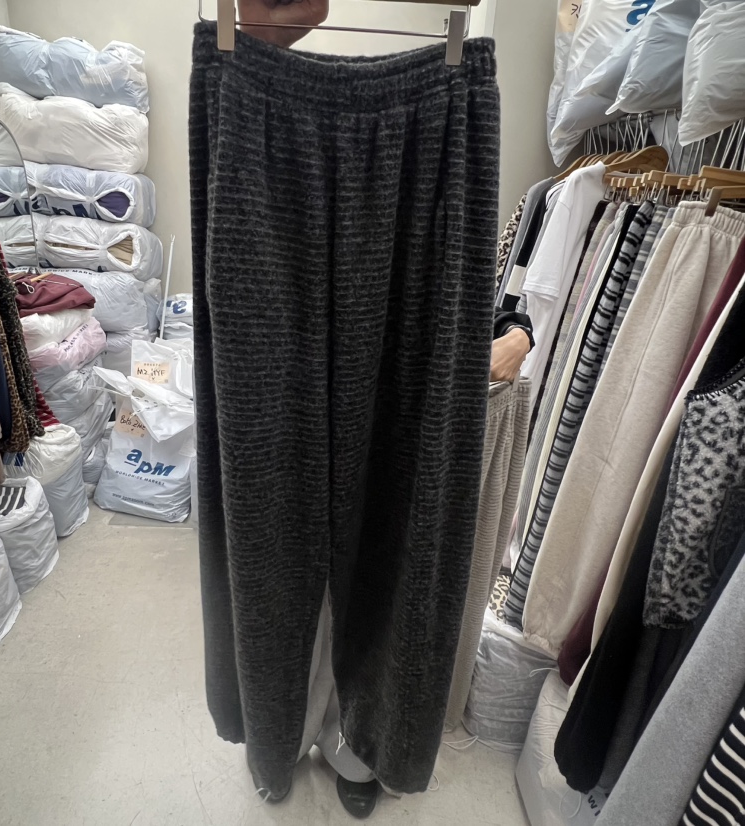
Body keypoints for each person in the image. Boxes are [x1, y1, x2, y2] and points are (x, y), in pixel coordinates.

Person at [232, 2, 534, 817]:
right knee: (272, 519)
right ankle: (278, 732)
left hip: (438, 135)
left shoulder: (457, 93)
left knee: (397, 525)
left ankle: (362, 746)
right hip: (255, 122)